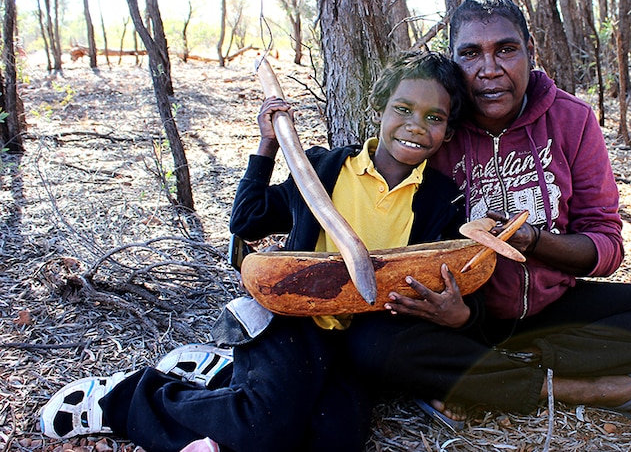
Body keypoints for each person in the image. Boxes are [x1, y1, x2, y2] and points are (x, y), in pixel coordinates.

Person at [39, 50, 469, 452]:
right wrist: (268, 144)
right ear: (378, 107)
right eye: (403, 108)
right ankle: (124, 399)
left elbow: (441, 282)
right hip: (292, 320)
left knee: (335, 439)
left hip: (351, 344)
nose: (415, 125)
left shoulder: (440, 200)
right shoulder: (322, 169)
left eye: (433, 117)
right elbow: (247, 220)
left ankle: (223, 374)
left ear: (447, 131)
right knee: (263, 425)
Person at [347, 0, 631, 427]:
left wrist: (534, 240)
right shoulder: (437, 126)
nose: (489, 69)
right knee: (369, 345)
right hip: (462, 315)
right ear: (454, 61)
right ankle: (571, 386)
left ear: (530, 50)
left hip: (552, 313)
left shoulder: (572, 120)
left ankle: (484, 374)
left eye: (505, 49)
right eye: (470, 54)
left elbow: (605, 246)